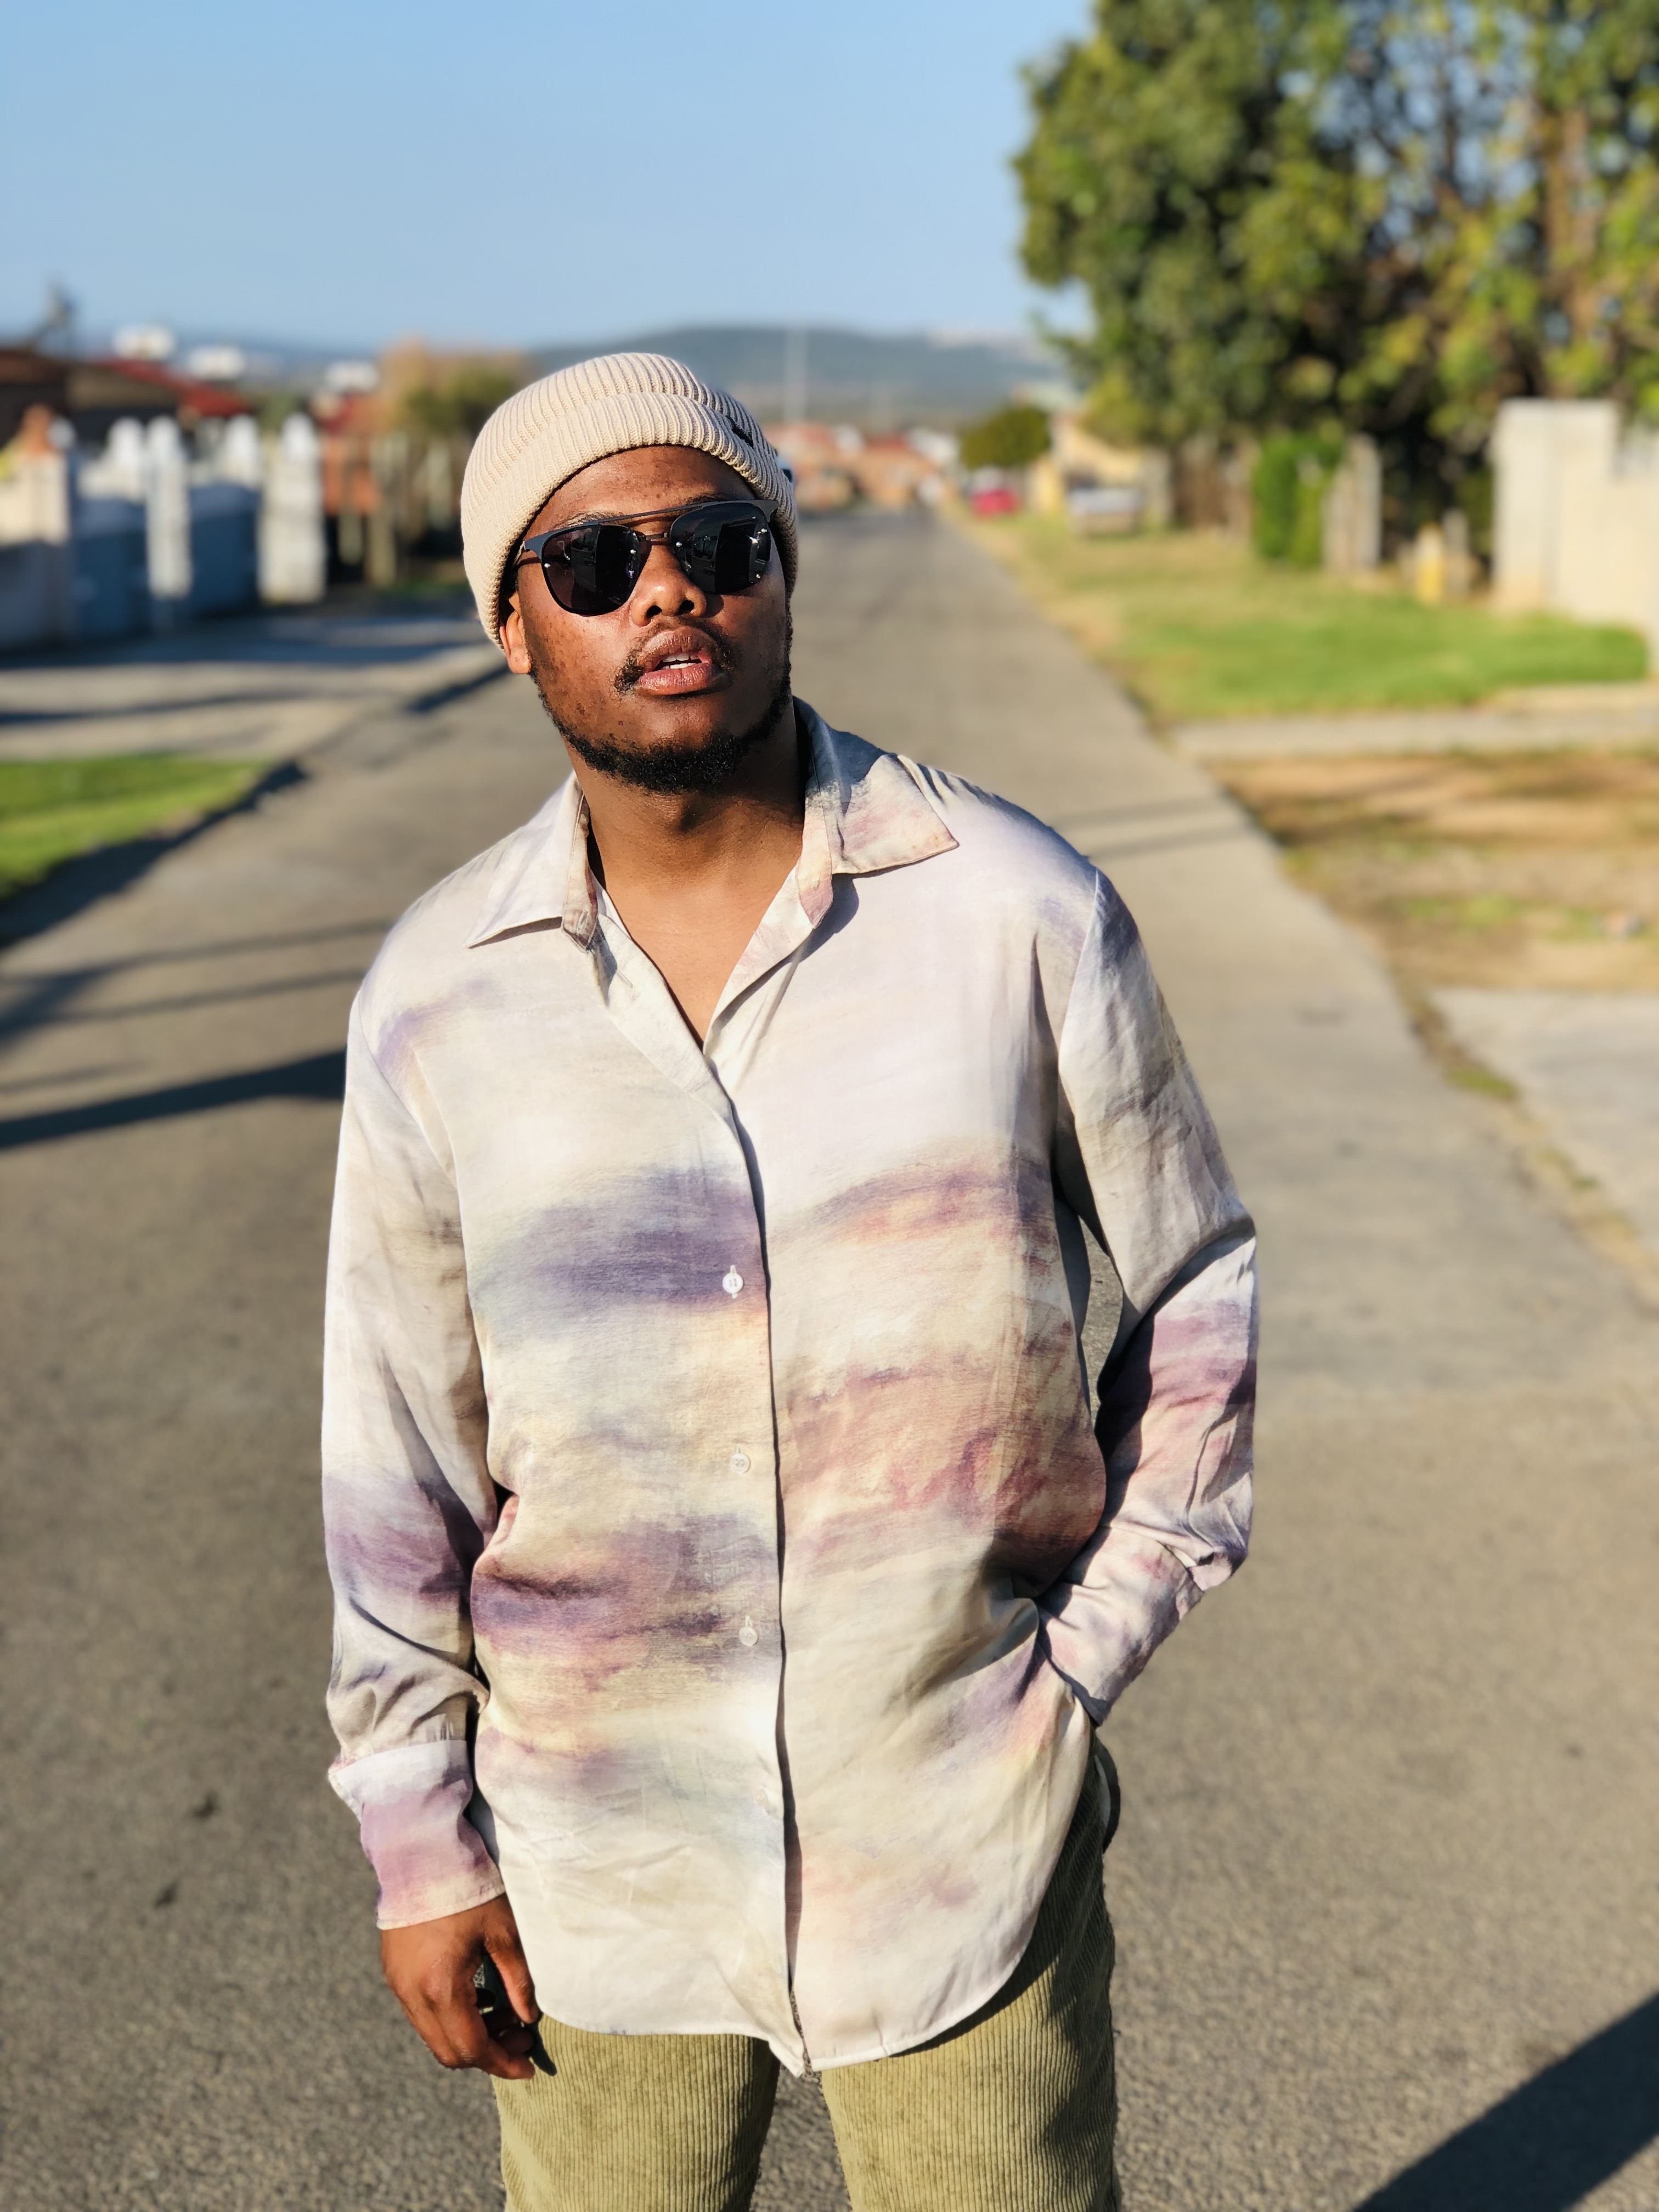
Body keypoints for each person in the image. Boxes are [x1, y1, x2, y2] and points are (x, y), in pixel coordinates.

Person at [321, 353, 1256, 2212]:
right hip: (604, 1874)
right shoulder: (440, 997)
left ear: (780, 572)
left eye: (719, 543)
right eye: (595, 564)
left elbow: (1197, 1286)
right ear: (513, 624)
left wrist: (1078, 1659)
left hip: (963, 1844)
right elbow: (394, 1455)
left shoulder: (1012, 910)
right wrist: (420, 1837)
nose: (668, 592)